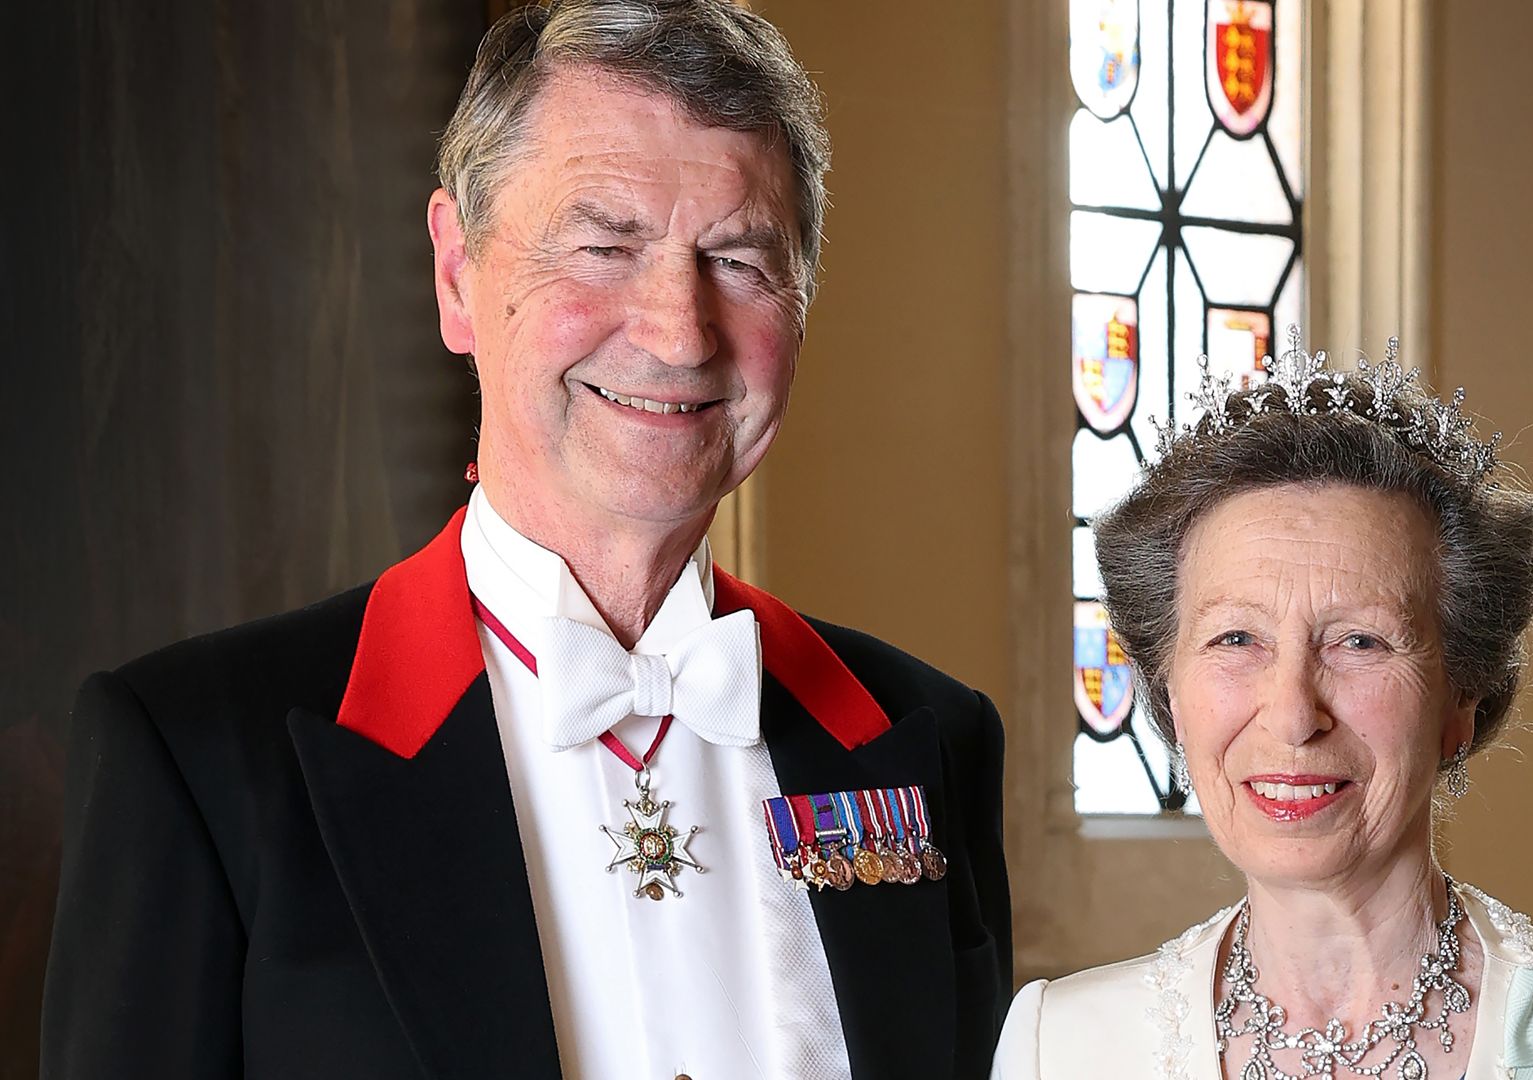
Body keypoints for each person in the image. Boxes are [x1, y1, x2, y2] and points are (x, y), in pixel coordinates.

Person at [40, 2, 1011, 1077]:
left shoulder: (927, 738)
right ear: (458, 273)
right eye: (604, 245)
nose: (678, 330)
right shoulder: (197, 759)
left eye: (739, 259)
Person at [991, 331, 1533, 1079]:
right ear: (1168, 692)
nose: (1293, 715)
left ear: (1463, 695)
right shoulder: (1058, 1047)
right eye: (1235, 639)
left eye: (1360, 642)